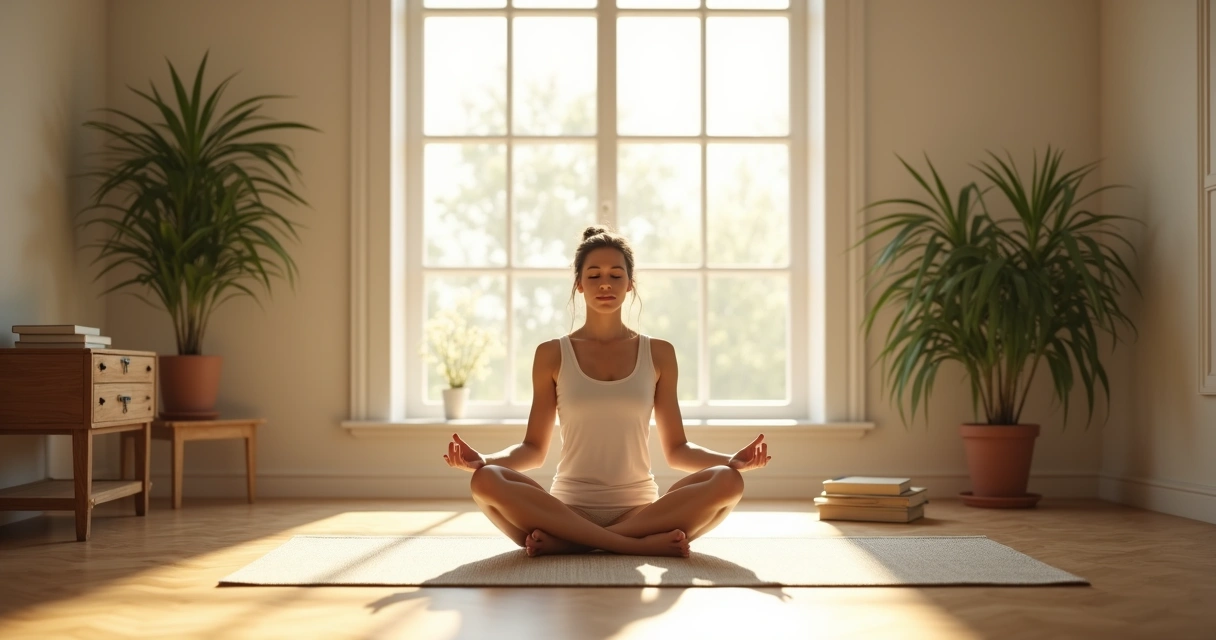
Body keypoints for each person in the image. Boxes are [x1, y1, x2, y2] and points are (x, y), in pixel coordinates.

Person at [442, 225, 772, 558]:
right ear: (578, 284)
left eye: (616, 275)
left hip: (641, 512)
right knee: (485, 480)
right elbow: (533, 449)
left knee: (729, 481)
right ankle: (629, 546)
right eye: (594, 274)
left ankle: (574, 543)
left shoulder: (659, 353)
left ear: (630, 285)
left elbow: (677, 450)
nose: (605, 283)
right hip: (567, 509)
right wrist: (484, 461)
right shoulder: (551, 354)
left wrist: (730, 461)